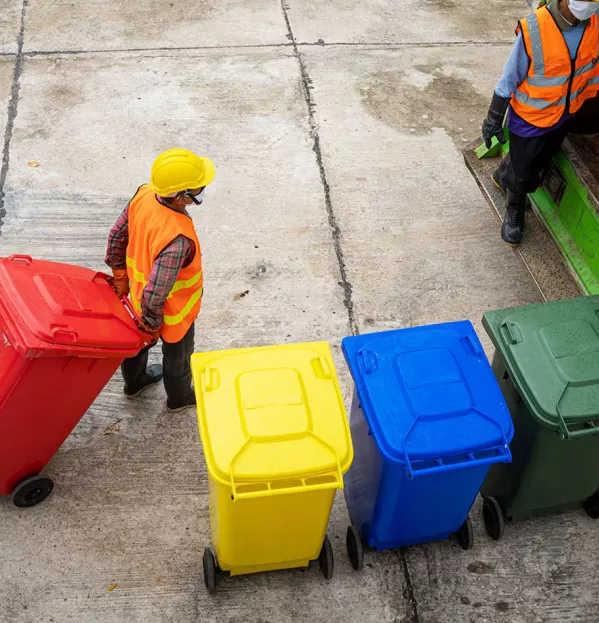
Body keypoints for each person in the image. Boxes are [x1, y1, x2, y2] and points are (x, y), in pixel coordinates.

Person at [482, 0, 599, 246]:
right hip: (530, 119)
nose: (591, 6)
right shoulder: (535, 29)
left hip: (564, 114)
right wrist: (493, 118)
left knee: (540, 159)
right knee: (524, 175)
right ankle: (515, 208)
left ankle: (504, 174)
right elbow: (509, 78)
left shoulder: (593, 24)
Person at [105, 148, 214, 411]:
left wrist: (120, 274)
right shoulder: (178, 238)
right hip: (172, 312)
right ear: (181, 197)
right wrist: (152, 323)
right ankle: (179, 399)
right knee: (178, 357)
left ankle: (135, 384)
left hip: (136, 298)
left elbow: (117, 236)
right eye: (197, 189)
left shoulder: (143, 195)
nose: (200, 192)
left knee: (136, 344)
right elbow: (157, 289)